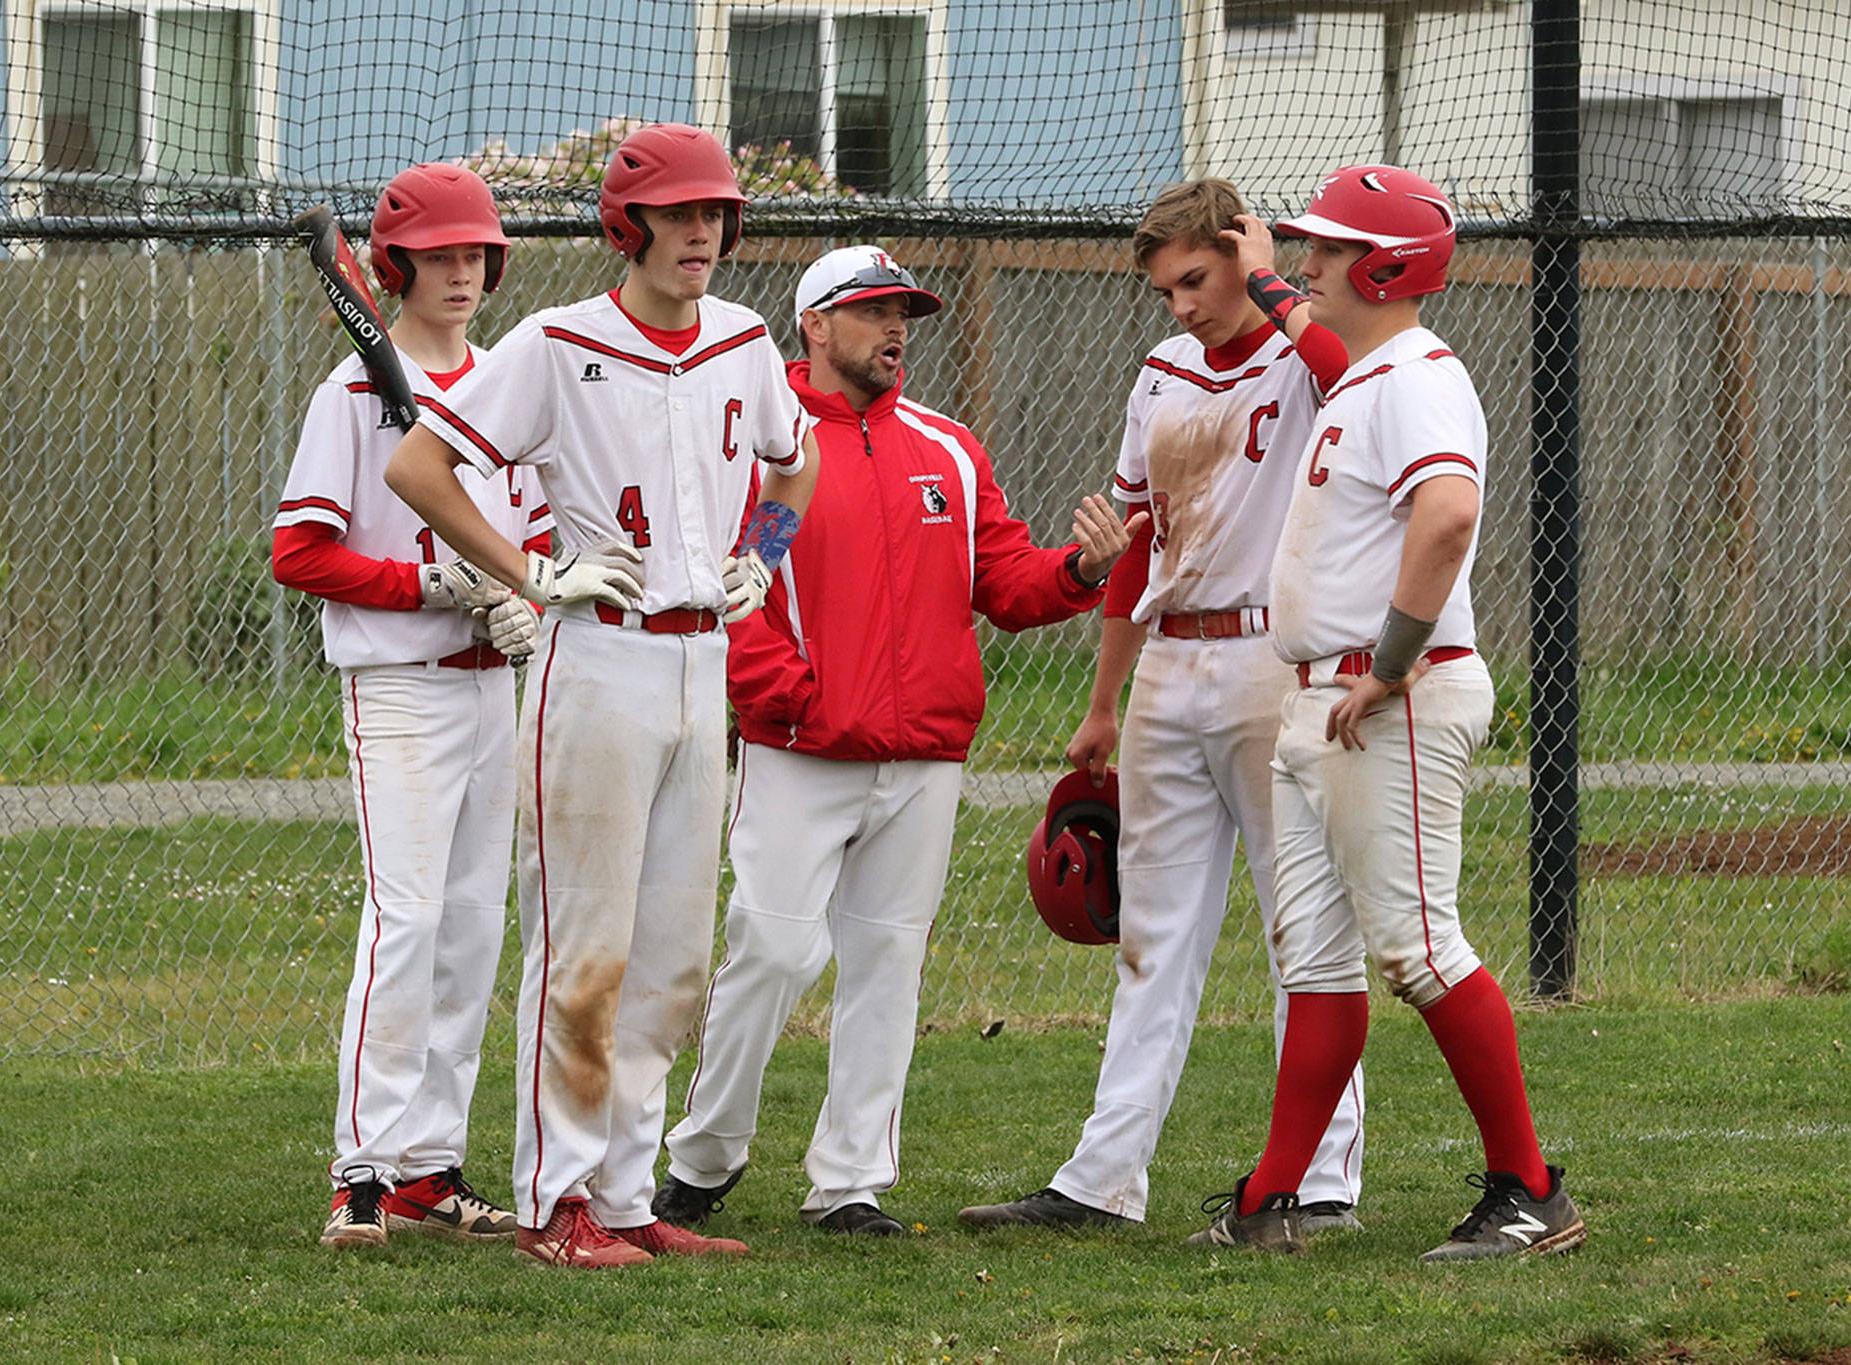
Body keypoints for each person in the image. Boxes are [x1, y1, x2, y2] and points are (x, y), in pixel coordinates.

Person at [384, 123, 819, 1269]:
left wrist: (765, 551)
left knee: (672, 954)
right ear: (626, 227)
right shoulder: (553, 339)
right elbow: (417, 467)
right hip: (596, 658)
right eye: (678, 214)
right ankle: (553, 1204)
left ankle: (625, 1197)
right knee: (584, 949)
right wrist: (527, 573)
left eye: (715, 213)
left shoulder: (742, 337)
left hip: (699, 662)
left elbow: (796, 457)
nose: (703, 234)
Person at [650, 245, 1138, 1237]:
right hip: (800, 748)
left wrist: (1080, 572)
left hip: (922, 756)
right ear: (815, 327)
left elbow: (1003, 586)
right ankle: (704, 1158)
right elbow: (732, 588)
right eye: (872, 312)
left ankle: (849, 1182)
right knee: (772, 951)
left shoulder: (946, 451)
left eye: (903, 312)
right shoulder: (769, 450)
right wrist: (780, 688)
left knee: (886, 965)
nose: (895, 329)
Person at [957, 179, 1366, 1235]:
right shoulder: (1162, 369)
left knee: (1302, 935)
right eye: (1163, 289)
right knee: (1152, 934)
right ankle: (1100, 1182)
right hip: (1170, 668)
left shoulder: (1306, 350)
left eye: (1196, 277)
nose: (1180, 305)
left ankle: (1319, 1185)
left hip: (1278, 658)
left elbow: (1354, 385)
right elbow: (1138, 536)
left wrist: (1276, 279)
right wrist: (1102, 700)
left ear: (1242, 253)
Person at [1192, 163, 1585, 1260]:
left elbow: (1448, 515)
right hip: (1330, 697)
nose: (1308, 261)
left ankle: (1528, 1187)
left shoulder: (1413, 374)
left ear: (1388, 267)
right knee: (1313, 961)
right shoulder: (1365, 370)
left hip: (1388, 694)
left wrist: (1393, 660)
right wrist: (1267, 283)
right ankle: (1272, 1197)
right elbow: (1320, 346)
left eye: (1326, 249)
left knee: (1417, 950)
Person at [275, 162, 544, 1249]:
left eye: (476, 253)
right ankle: (362, 1170)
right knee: (407, 923)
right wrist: (426, 588)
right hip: (397, 689)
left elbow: (524, 533)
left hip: (492, 690)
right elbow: (299, 552)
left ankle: (431, 1166)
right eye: (439, 255)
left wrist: (526, 593)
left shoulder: (501, 384)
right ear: (392, 266)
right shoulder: (351, 394)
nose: (463, 272)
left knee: (474, 929)